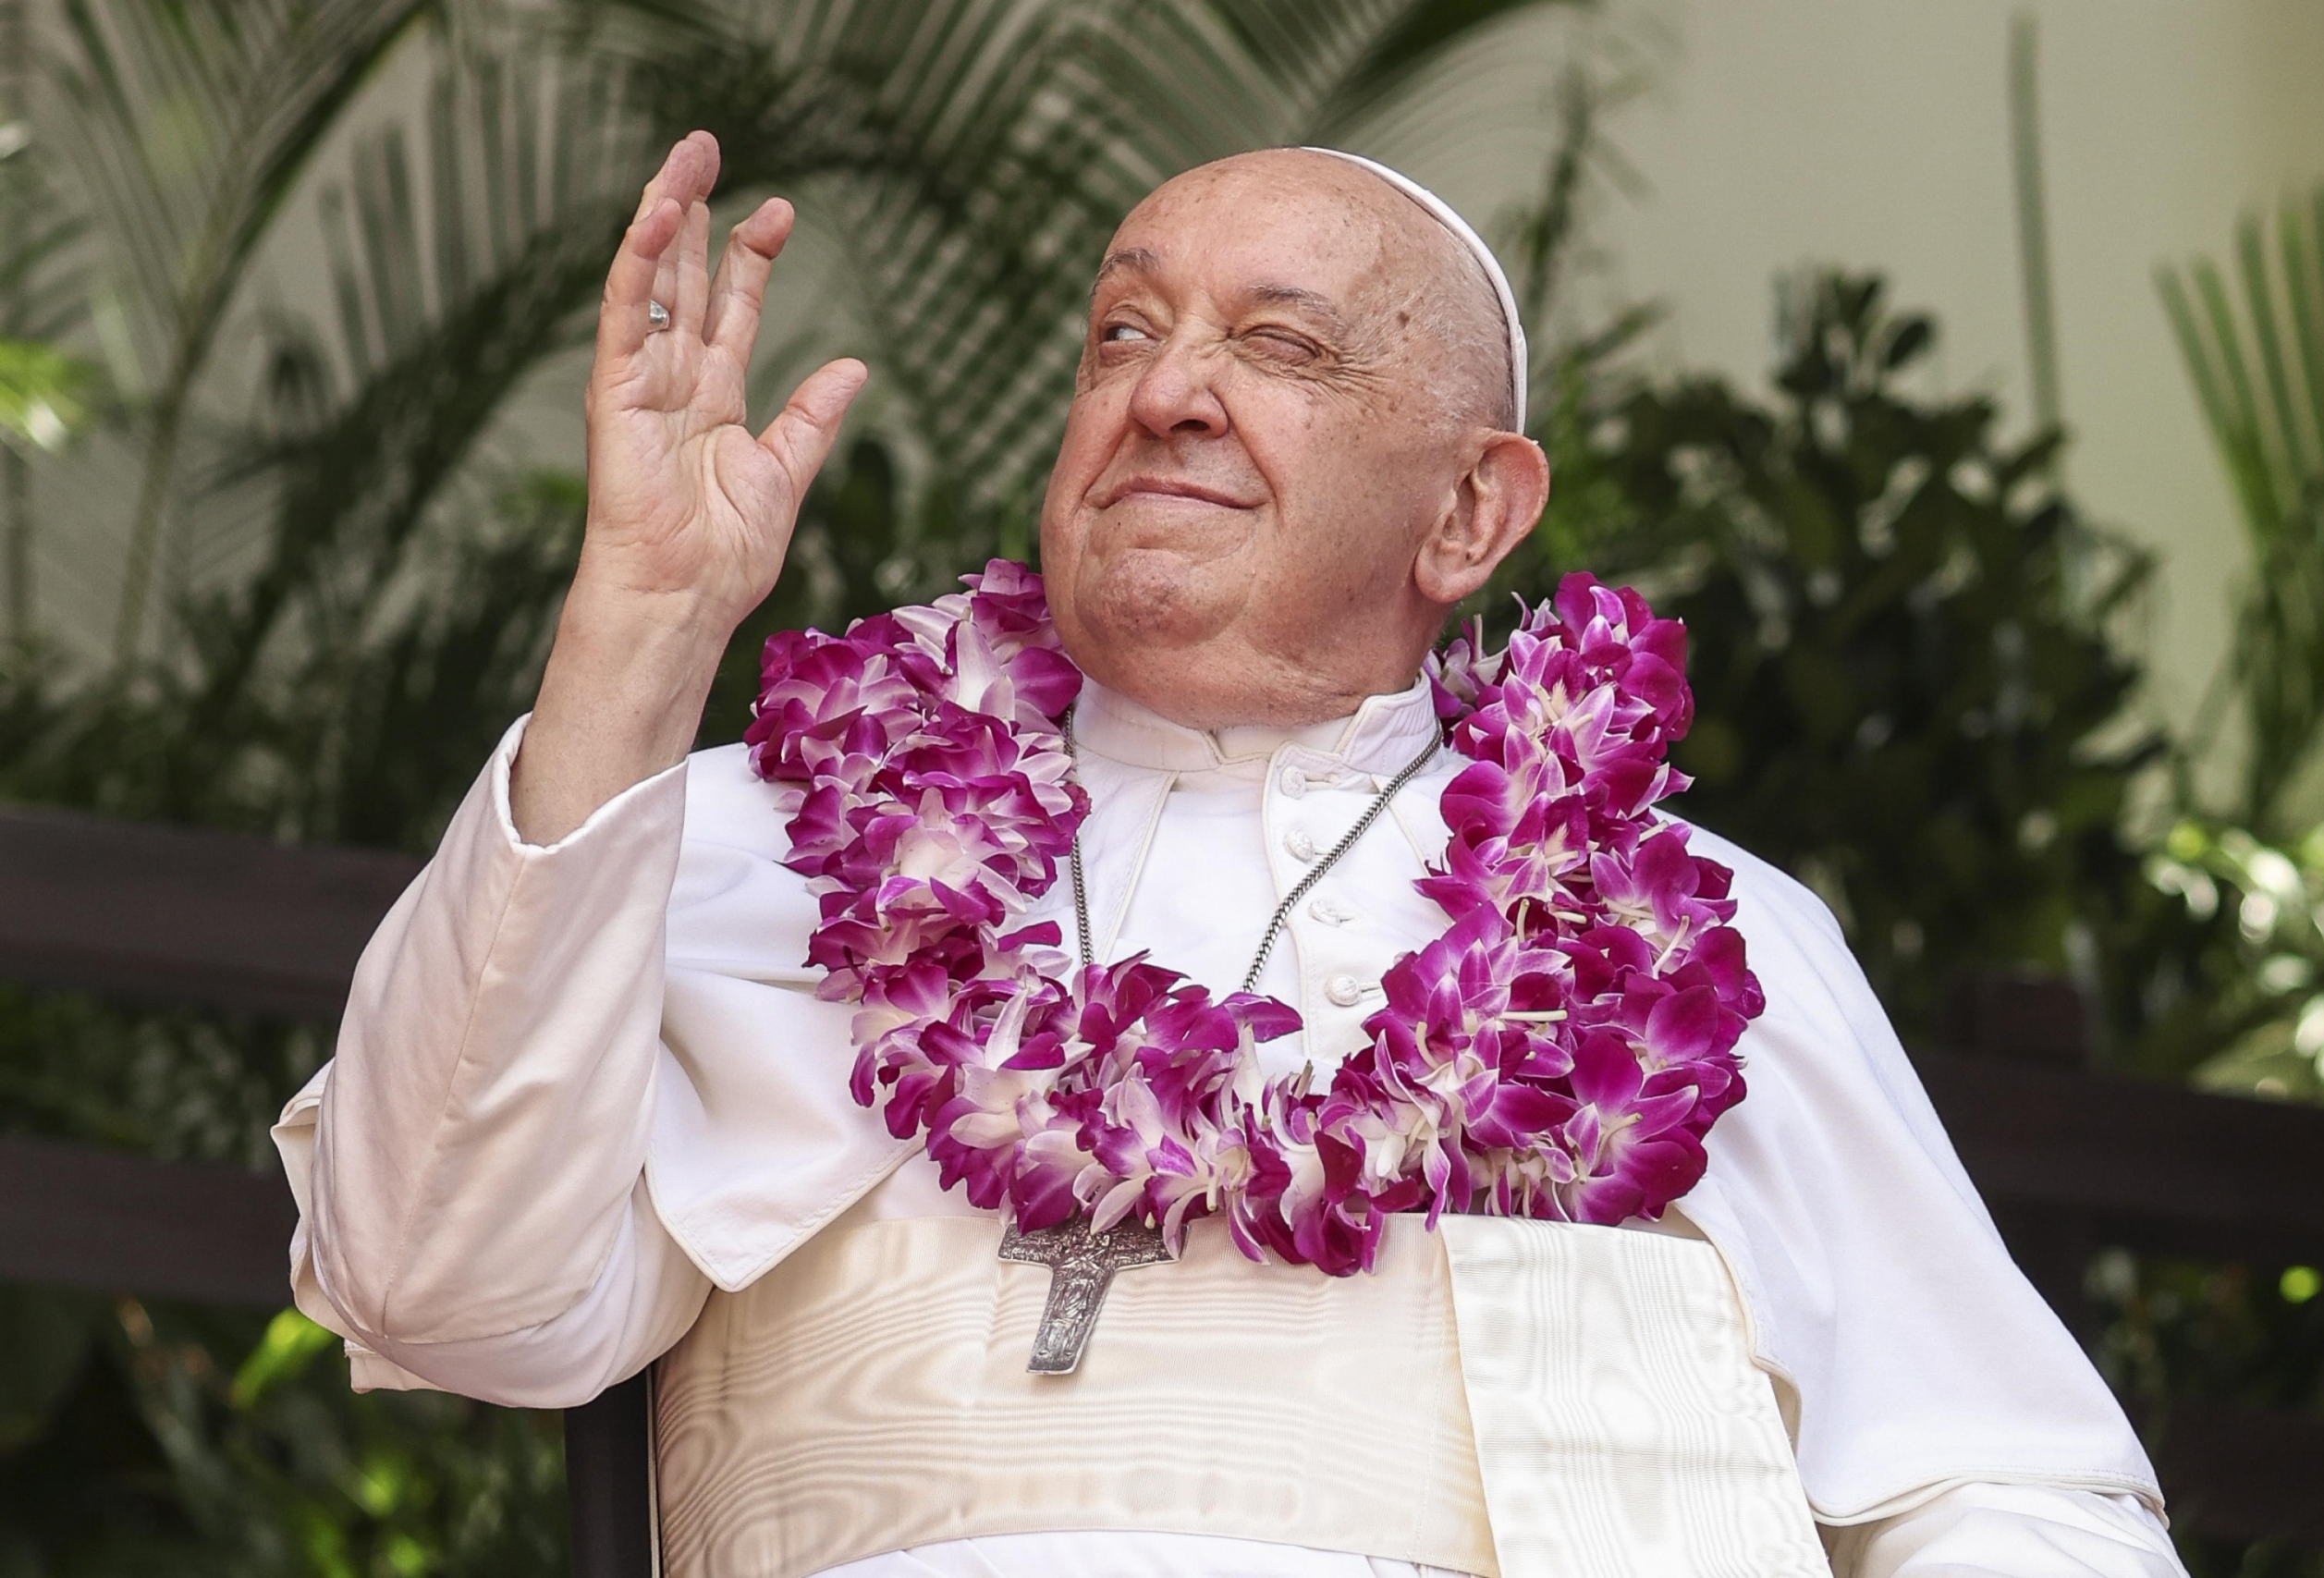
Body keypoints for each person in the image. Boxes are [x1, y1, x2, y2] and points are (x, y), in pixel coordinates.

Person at [273, 131, 2187, 1578]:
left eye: (1275, 343)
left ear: (1465, 507)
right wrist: (638, 627)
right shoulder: (758, 835)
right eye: (1123, 327)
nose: (1163, 387)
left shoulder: (1677, 938)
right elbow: (434, 1283)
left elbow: (2004, 1489)